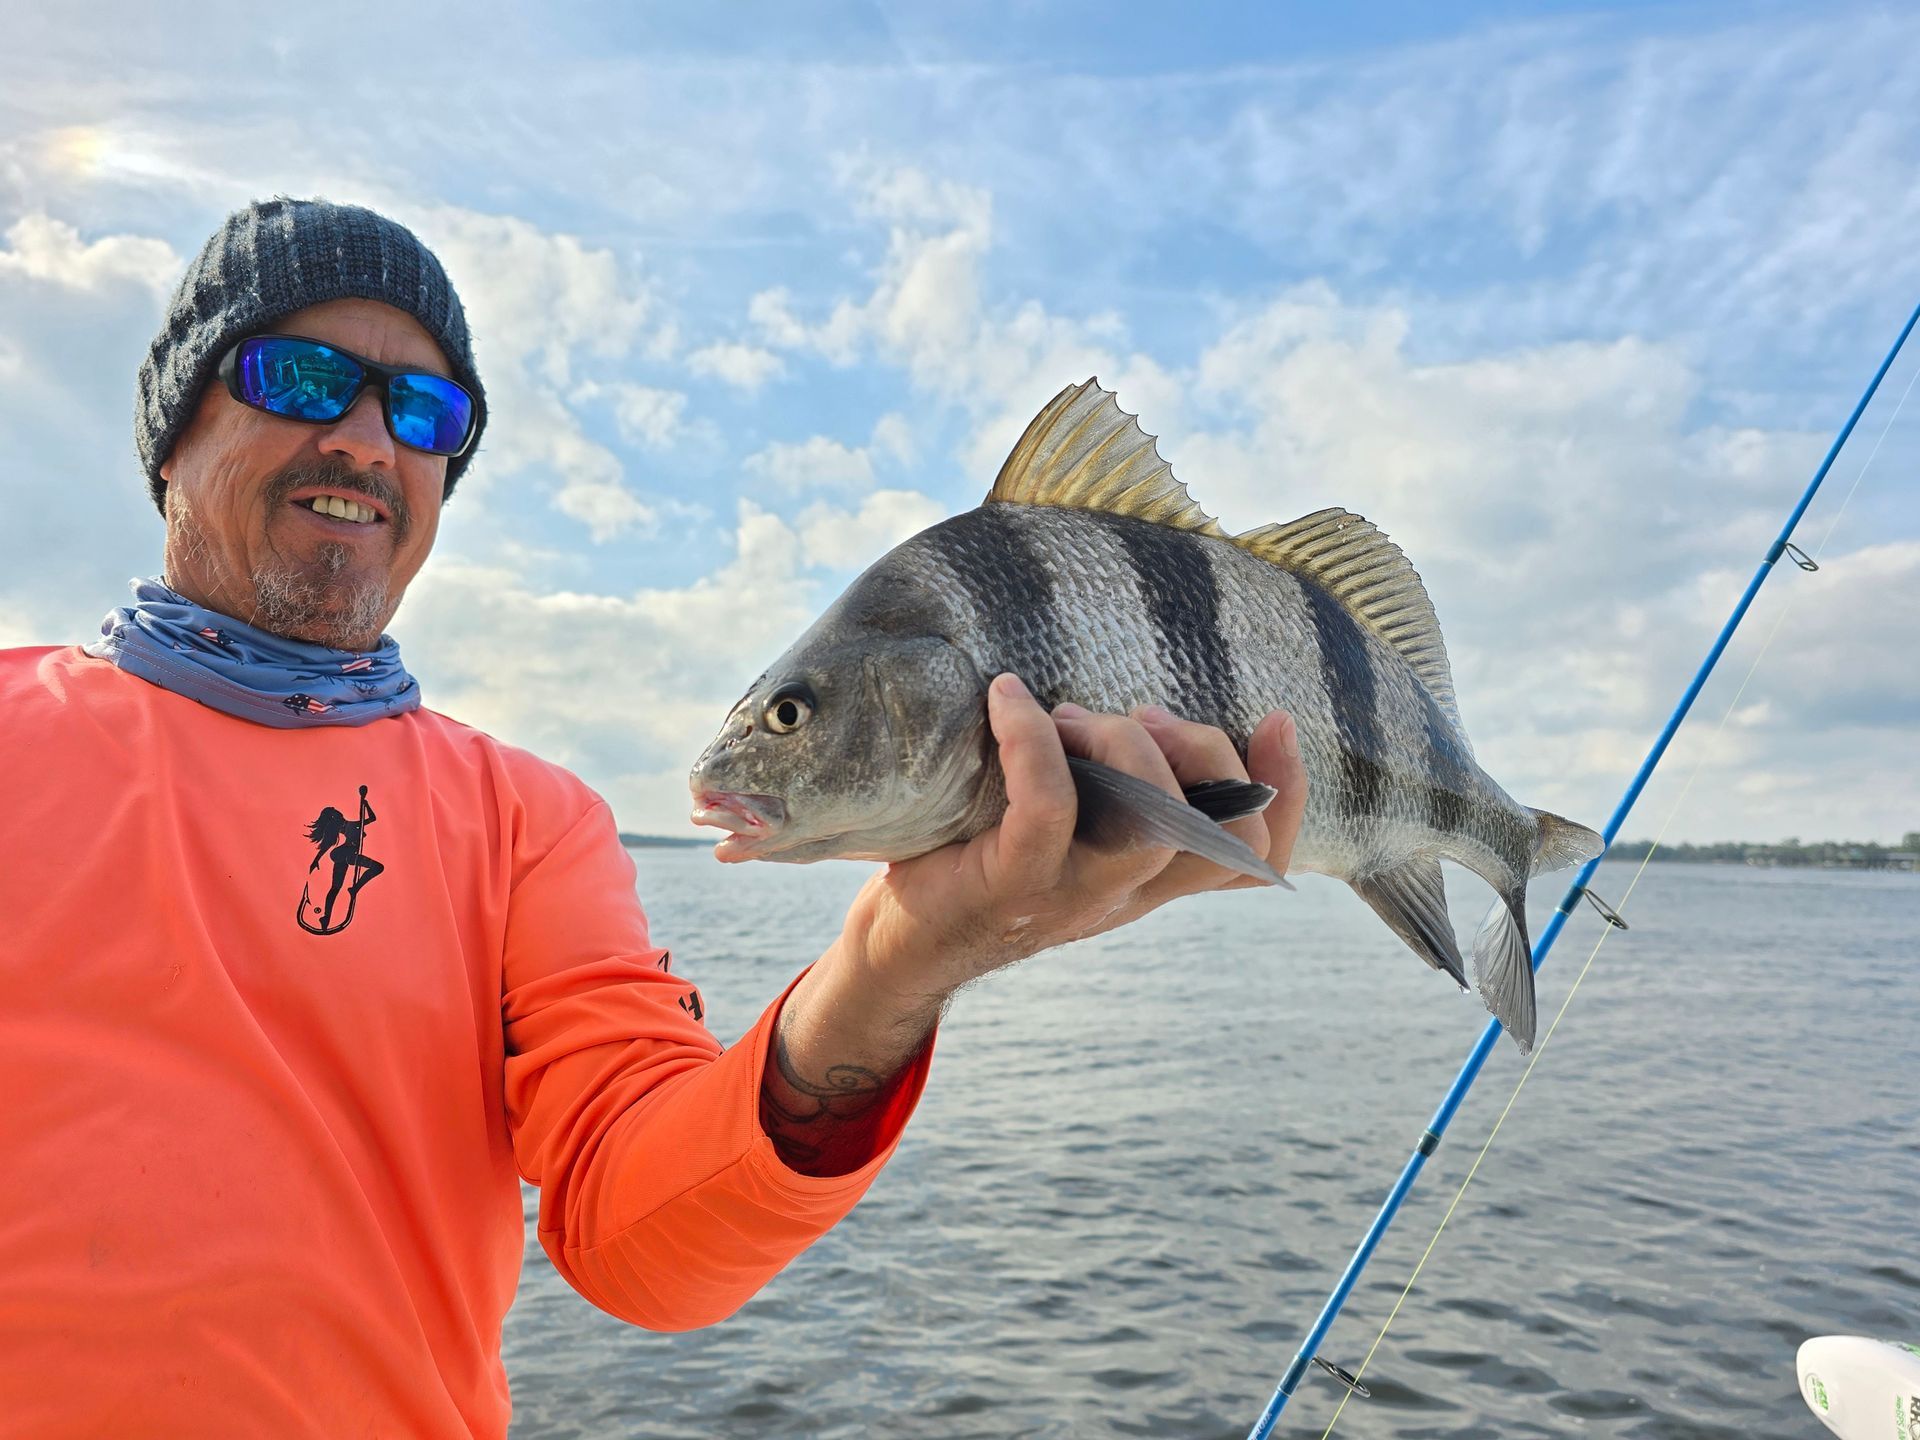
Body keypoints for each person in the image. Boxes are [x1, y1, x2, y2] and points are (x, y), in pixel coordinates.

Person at [0, 198, 1306, 1438]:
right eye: (298, 378)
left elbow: (642, 1241)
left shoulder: (524, 822)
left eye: (424, 408)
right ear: (171, 427)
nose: (363, 436)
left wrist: (900, 963)